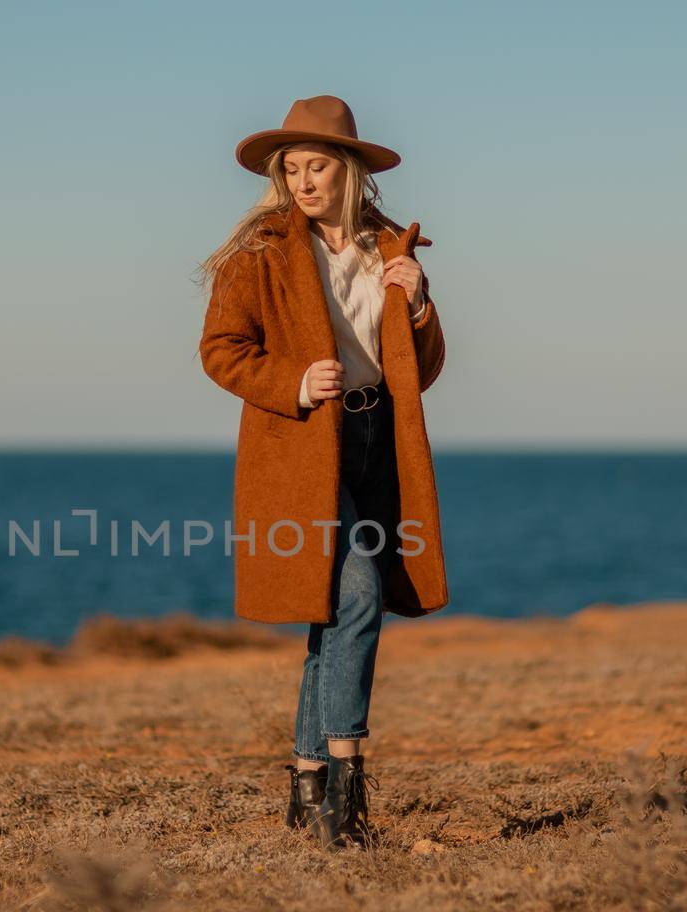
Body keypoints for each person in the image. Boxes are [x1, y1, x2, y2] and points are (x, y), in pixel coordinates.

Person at [195, 96, 450, 848]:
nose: (303, 181)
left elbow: (424, 371)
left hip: (378, 438)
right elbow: (220, 348)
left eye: (318, 166)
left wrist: (420, 301)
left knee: (332, 611)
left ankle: (305, 786)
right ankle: (348, 793)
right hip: (302, 444)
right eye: (293, 168)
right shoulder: (261, 251)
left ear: (352, 170)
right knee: (360, 592)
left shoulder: (389, 249)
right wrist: (296, 383)